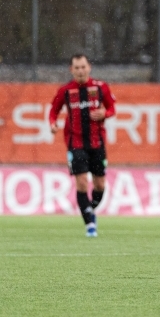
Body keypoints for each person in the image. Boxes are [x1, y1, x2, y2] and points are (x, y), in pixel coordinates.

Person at [49, 53, 116, 238]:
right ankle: (90, 225)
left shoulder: (100, 87)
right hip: (75, 143)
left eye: (83, 67)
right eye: (76, 68)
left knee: (100, 185)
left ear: (89, 67)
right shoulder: (65, 91)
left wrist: (105, 113)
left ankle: (89, 209)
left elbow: (112, 108)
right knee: (81, 183)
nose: (80, 71)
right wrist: (52, 123)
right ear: (71, 70)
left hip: (97, 143)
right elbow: (53, 110)